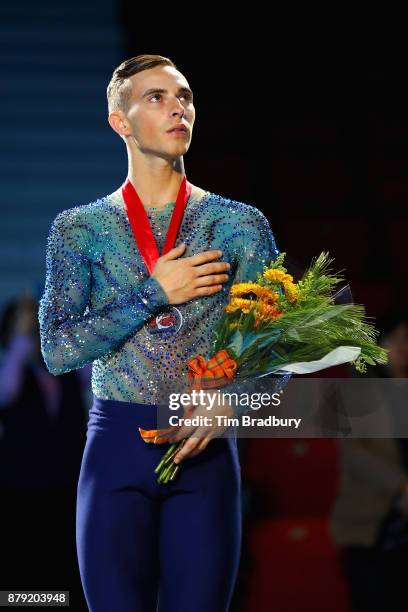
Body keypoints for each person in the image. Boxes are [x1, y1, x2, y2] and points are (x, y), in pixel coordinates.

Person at [38, 53, 288, 612]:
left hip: (204, 450)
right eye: (156, 97)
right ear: (119, 121)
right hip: (115, 447)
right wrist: (154, 292)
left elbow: (280, 351)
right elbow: (57, 350)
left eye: (185, 97)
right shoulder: (79, 229)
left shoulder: (238, 224)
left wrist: (232, 404)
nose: (178, 108)